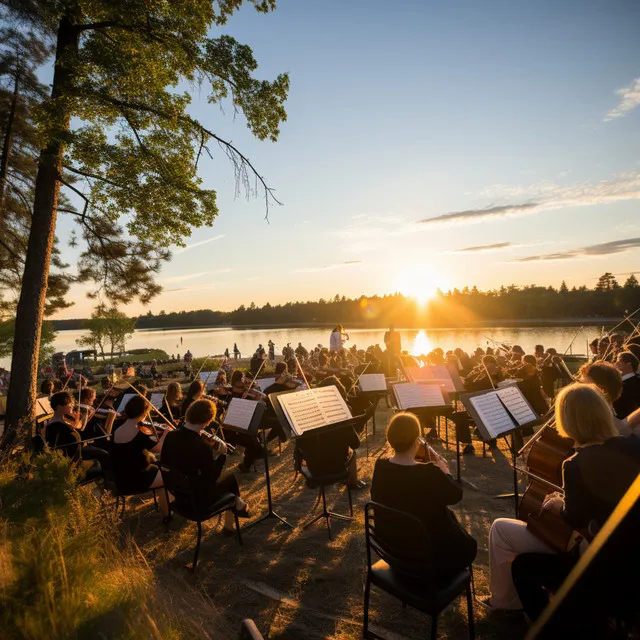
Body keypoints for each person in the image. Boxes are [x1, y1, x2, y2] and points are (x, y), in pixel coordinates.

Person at [484, 383, 640, 614]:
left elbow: (574, 518)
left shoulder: (575, 464)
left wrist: (559, 503)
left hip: (601, 561)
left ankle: (505, 603)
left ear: (567, 421)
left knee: (500, 530)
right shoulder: (635, 445)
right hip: (632, 551)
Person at [371, 412, 477, 580]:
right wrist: (446, 472)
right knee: (470, 545)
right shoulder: (430, 473)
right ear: (416, 441)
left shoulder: (380, 467)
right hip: (429, 559)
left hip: (394, 551)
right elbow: (456, 495)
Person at [161, 399, 250, 534]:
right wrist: (222, 455)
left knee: (228, 479)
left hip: (178, 493)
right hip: (197, 501)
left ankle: (238, 504)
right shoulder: (201, 447)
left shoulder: (171, 436)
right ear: (207, 421)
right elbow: (212, 477)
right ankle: (232, 519)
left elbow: (166, 462)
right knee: (229, 478)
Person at [295, 376, 366, 489]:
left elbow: (300, 445)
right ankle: (352, 482)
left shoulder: (307, 415)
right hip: (338, 467)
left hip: (314, 468)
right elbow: (355, 444)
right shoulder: (341, 414)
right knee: (353, 452)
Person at [110, 395, 170, 519]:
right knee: (169, 478)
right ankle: (167, 514)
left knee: (159, 468)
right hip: (136, 479)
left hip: (121, 478)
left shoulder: (117, 429)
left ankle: (163, 505)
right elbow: (158, 449)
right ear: (144, 413)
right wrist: (165, 434)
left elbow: (134, 448)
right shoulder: (139, 433)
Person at [613, 350, 640, 419]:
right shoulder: (634, 380)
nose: (615, 363)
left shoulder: (628, 385)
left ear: (628, 364)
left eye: (619, 361)